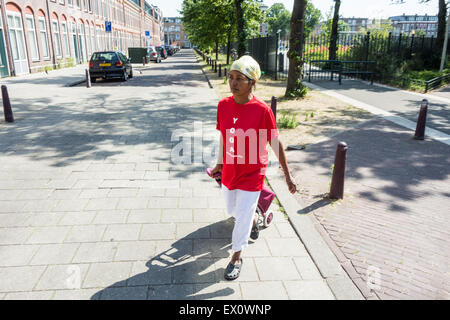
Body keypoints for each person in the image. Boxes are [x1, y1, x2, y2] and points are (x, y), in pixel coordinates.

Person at [210, 55, 297, 281]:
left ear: (253, 82)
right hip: (230, 170)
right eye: (231, 77)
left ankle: (236, 257)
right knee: (232, 211)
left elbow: (275, 143)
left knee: (242, 216)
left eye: (240, 78)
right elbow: (224, 137)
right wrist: (219, 163)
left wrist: (287, 176)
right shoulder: (223, 106)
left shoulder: (262, 111)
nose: (233, 83)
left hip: (253, 172)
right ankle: (257, 218)